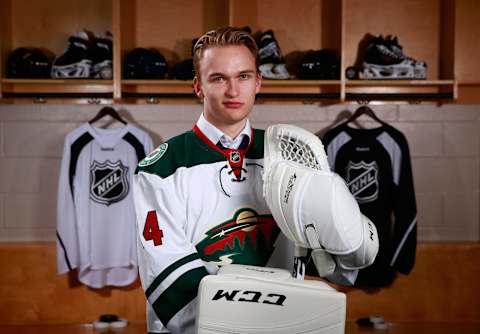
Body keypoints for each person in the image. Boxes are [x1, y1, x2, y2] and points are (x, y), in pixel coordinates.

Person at [133, 26, 295, 334]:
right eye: (219, 78)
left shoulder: (290, 157)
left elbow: (329, 260)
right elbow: (167, 274)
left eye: (243, 76)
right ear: (198, 86)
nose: (233, 91)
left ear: (258, 82)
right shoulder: (161, 169)